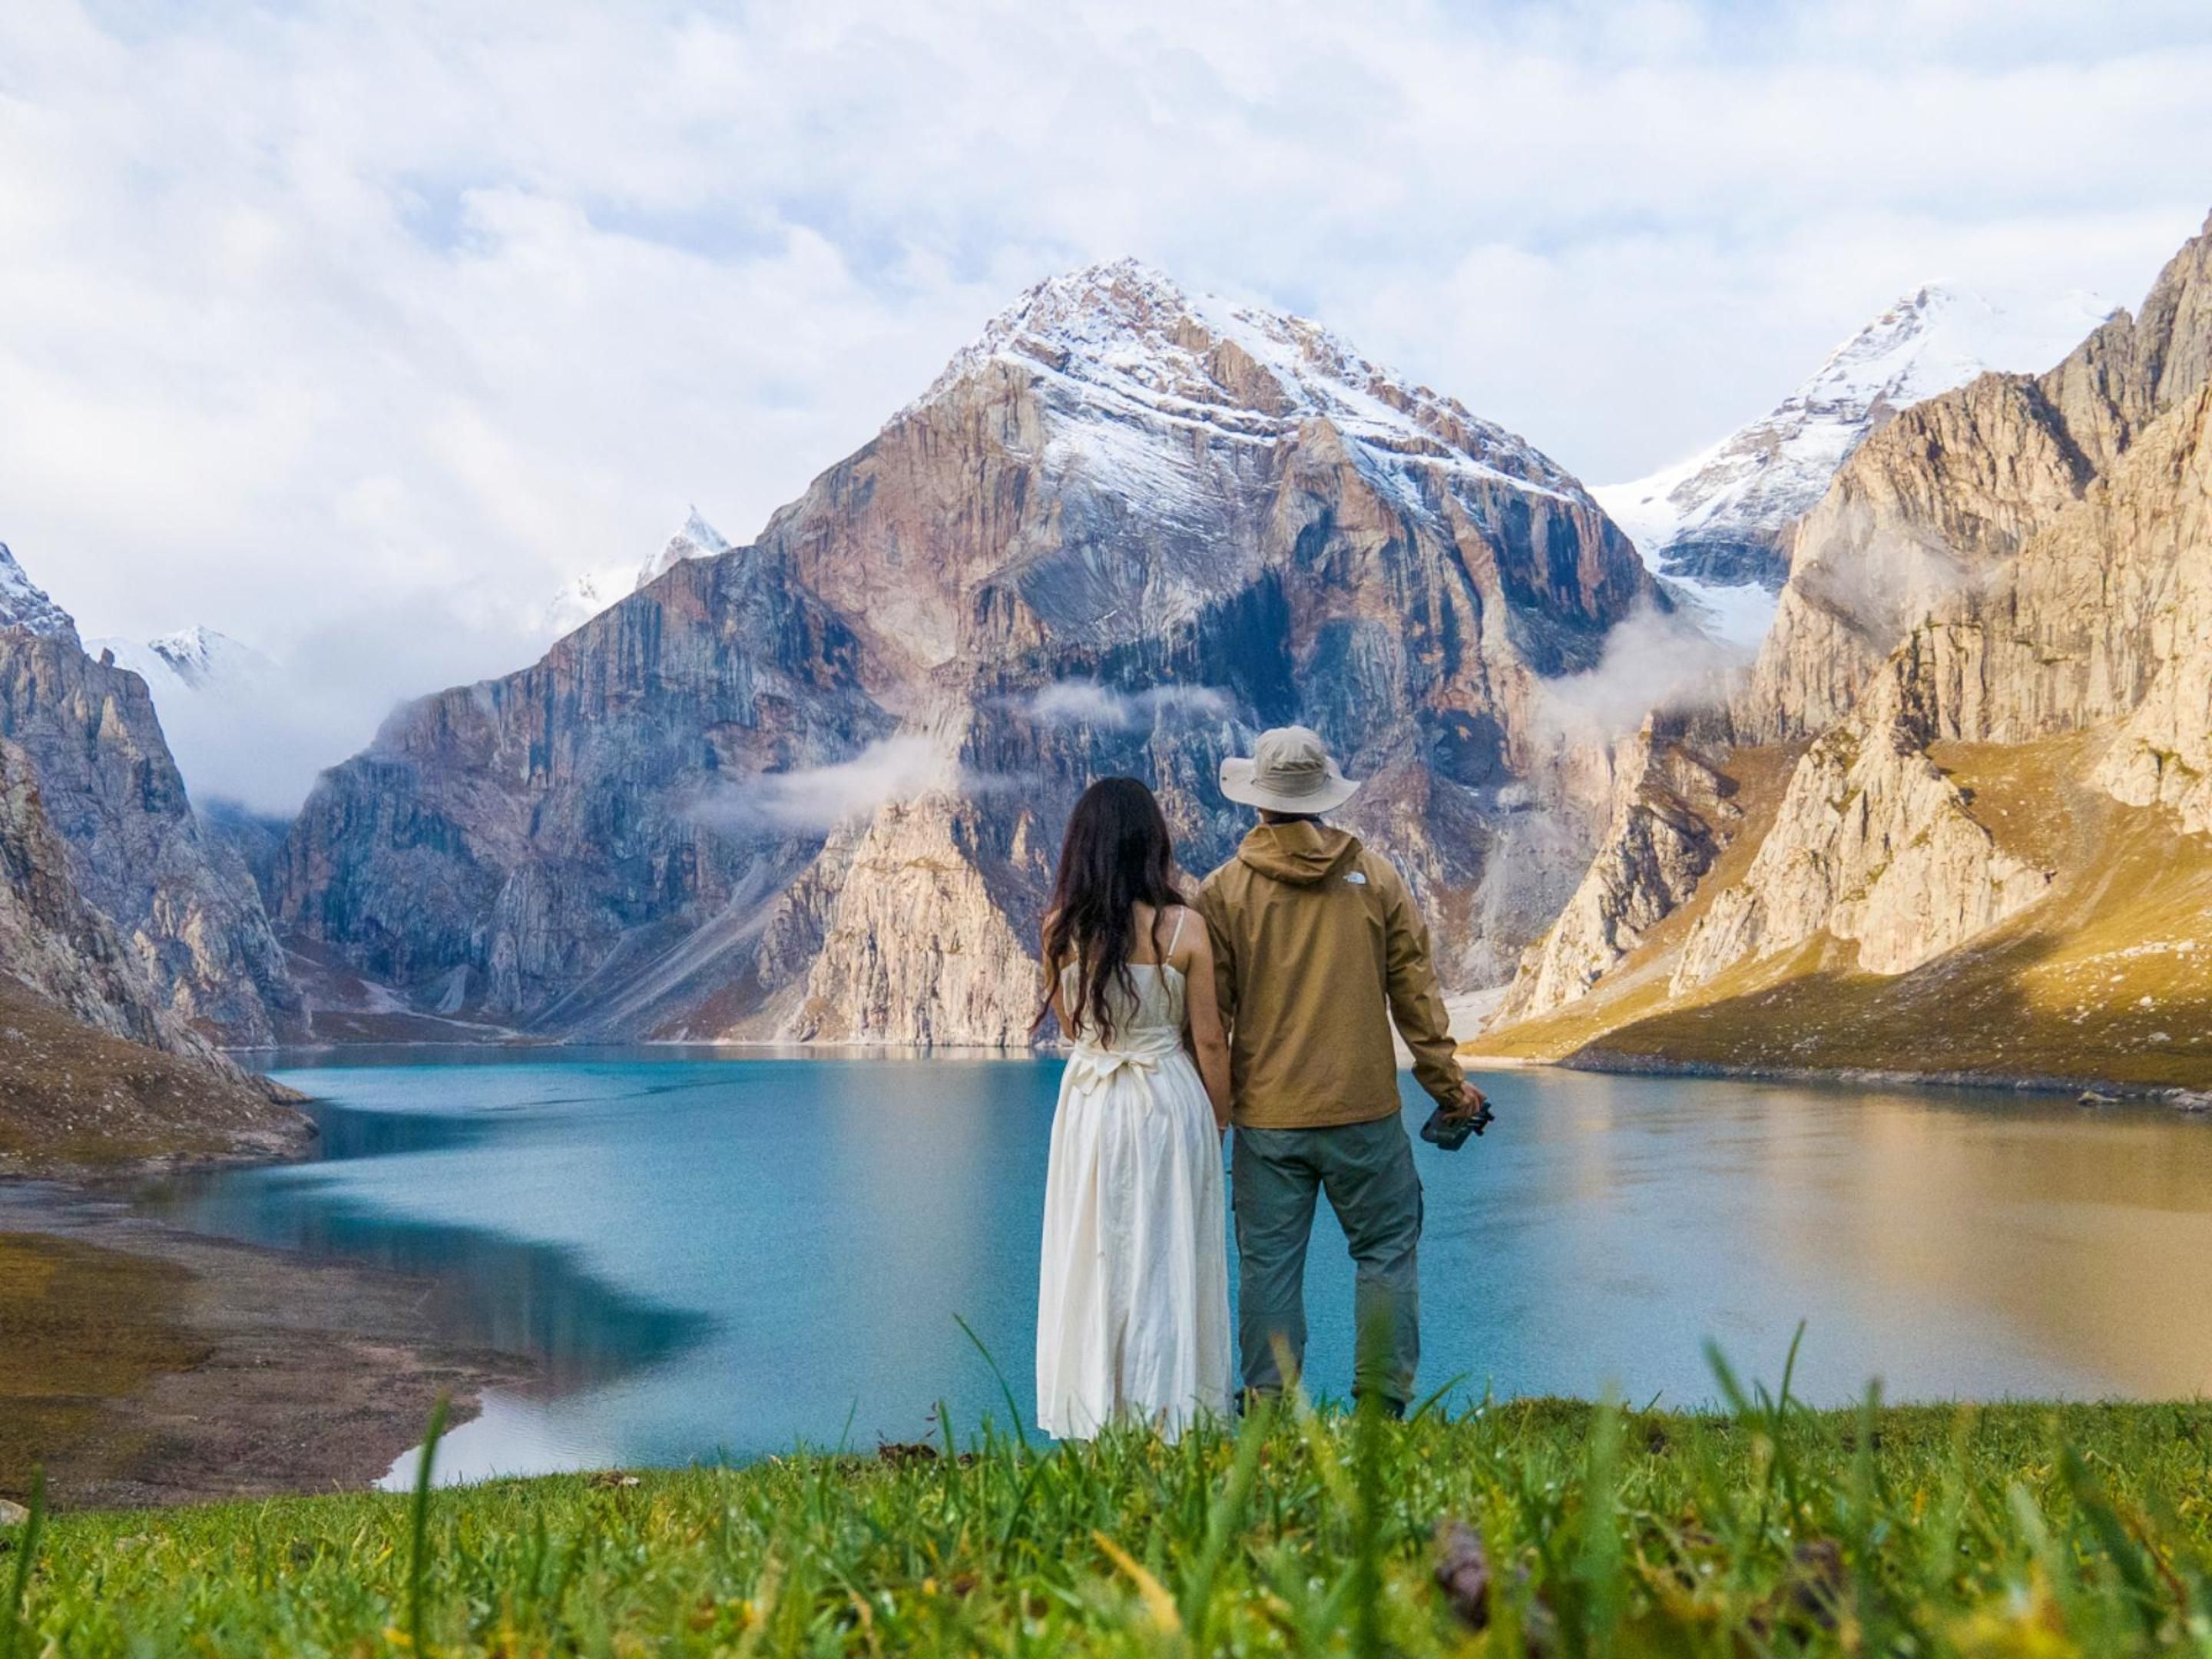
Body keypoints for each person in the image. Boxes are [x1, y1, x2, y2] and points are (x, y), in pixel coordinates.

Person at [1197, 726, 1490, 1416]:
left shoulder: (1223, 892)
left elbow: (1212, 1020)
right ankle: (1381, 1413)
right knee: (1386, 1252)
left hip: (1268, 1121)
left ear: (1259, 803)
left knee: (1269, 1267)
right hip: (1366, 1114)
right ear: (1323, 797)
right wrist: (1449, 1090)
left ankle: (1268, 1415)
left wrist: (1214, 1112)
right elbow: (1415, 996)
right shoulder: (1376, 878)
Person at [1034, 777, 1235, 1440]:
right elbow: (1208, 1036)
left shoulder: (1058, 931)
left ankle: (1096, 1413)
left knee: (1095, 1254)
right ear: (1152, 843)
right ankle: (1176, 1416)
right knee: (1169, 1256)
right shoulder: (1185, 929)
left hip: (1092, 1103)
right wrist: (1220, 1120)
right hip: (1169, 1103)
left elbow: (1070, 1027)